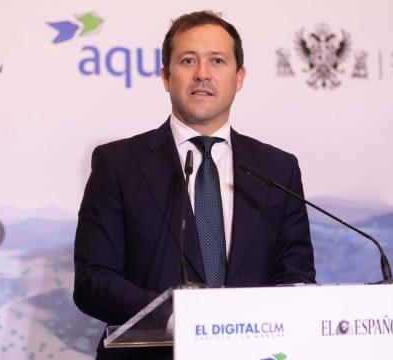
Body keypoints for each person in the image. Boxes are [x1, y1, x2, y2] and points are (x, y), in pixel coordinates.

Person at [73, 10, 315, 359]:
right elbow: (93, 282)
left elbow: (296, 276)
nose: (203, 74)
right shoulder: (118, 164)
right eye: (188, 61)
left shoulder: (278, 169)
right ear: (166, 77)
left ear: (240, 77)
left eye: (217, 60)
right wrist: (181, 316)